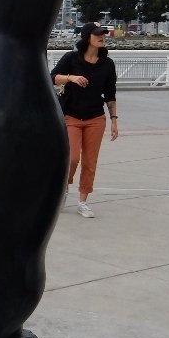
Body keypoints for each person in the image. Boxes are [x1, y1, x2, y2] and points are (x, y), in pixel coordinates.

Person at [50, 23, 118, 218]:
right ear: (87, 37)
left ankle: (83, 202)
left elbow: (110, 94)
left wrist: (114, 119)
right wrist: (71, 78)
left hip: (95, 118)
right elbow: (53, 77)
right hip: (71, 115)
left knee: (90, 161)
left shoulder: (107, 64)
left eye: (104, 34)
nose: (102, 37)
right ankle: (63, 188)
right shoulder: (72, 58)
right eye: (98, 34)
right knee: (72, 158)